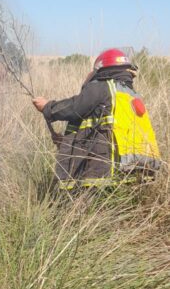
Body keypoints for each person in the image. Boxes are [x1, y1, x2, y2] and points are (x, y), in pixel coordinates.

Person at [32, 49, 161, 190]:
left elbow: (75, 107)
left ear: (100, 69)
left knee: (89, 205)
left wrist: (48, 107)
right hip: (131, 167)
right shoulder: (133, 95)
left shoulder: (101, 87)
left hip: (102, 167)